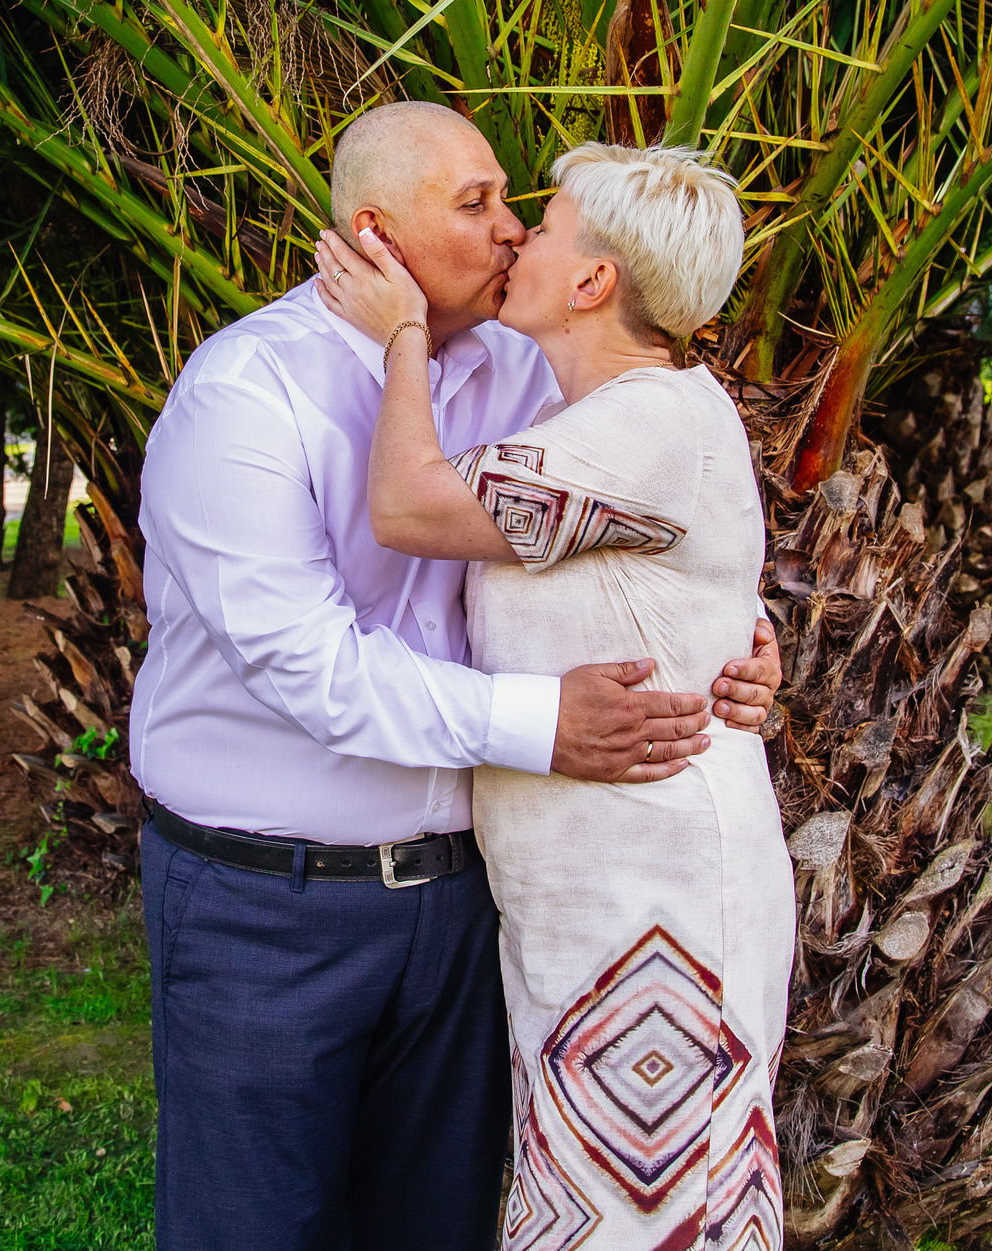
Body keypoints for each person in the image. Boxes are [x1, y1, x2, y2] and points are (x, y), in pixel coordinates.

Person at [131, 102, 781, 1251]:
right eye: (476, 204)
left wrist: (726, 639)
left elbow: (647, 510)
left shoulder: (527, 371)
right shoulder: (245, 396)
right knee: (252, 1230)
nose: (512, 229)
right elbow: (312, 666)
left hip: (461, 903)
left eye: (517, 205)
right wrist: (542, 724)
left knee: (432, 1229)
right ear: (374, 235)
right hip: (269, 908)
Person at [312, 140, 796, 1250]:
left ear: (592, 283)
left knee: (647, 1209)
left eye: (548, 225)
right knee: (611, 1202)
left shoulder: (644, 422)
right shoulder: (626, 413)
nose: (518, 234)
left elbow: (412, 509)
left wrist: (396, 336)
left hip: (651, 891)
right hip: (606, 883)